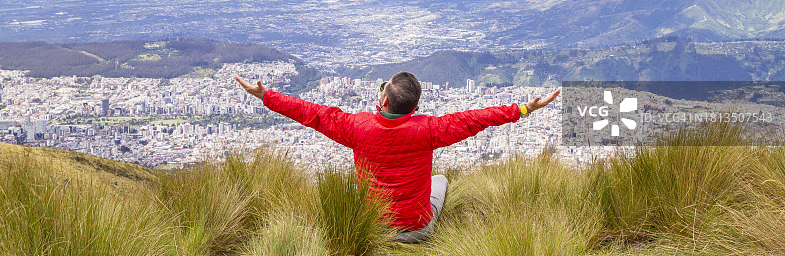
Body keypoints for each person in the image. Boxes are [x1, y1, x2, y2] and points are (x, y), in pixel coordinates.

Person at [235, 72, 560, 243]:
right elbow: (476, 118)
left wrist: (267, 95)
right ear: (414, 107)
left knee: (351, 189)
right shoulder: (430, 130)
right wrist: (523, 108)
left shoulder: (356, 127)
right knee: (440, 180)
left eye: (383, 89)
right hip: (417, 228)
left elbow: (312, 114)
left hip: (371, 224)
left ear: (385, 101)